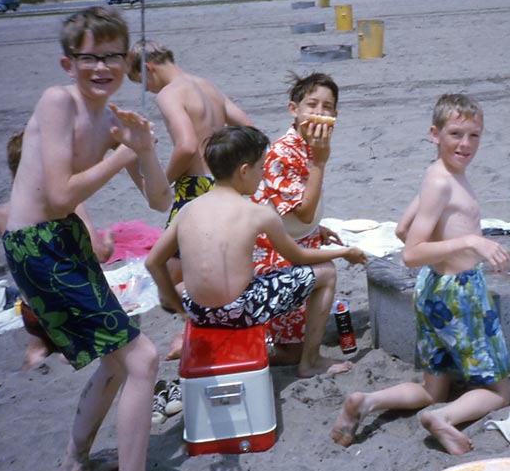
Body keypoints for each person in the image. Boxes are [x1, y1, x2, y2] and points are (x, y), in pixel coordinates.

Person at [0, 6, 182, 471]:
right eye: (89, 57)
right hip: (38, 246)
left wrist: (143, 148)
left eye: (113, 57)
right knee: (142, 358)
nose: (102, 67)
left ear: (128, 61)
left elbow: (159, 200)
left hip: (65, 243)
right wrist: (121, 156)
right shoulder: (58, 101)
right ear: (67, 63)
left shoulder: (110, 120)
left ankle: (74, 461)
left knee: (118, 358)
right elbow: (58, 195)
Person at [331, 93, 510, 456]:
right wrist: (469, 241)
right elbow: (410, 253)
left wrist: (447, 239)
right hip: (460, 294)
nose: (465, 144)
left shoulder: (437, 176)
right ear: (435, 134)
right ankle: (443, 419)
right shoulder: (443, 182)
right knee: (498, 392)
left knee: (433, 389)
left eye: (474, 136)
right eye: (456, 134)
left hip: (433, 291)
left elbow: (402, 228)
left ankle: (366, 401)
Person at [144, 125, 366, 367]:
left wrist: (178, 306)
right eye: (260, 168)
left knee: (182, 286)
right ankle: (310, 360)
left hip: (198, 312)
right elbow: (299, 257)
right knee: (327, 271)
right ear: (243, 171)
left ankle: (186, 328)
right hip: (241, 313)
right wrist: (345, 252)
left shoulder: (187, 210)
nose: (262, 175)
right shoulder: (257, 214)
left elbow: (153, 262)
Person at [127, 39, 254, 360]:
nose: (150, 92)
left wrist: (161, 182)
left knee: (170, 282)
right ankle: (193, 331)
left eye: (143, 84)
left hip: (195, 190)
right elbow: (248, 126)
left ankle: (196, 334)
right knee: (198, 268)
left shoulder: (169, 94)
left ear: (149, 70)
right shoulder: (207, 85)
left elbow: (185, 146)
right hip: (225, 181)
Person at [251, 72, 354, 377]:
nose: (320, 113)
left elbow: (292, 210)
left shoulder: (307, 144)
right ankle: (308, 362)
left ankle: (285, 345)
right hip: (271, 255)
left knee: (290, 346)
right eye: (312, 104)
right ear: (293, 110)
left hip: (294, 241)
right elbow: (305, 211)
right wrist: (320, 162)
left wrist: (314, 230)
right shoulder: (283, 152)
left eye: (328, 107)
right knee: (329, 271)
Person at [0, 130, 114, 370]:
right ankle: (71, 349)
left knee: (39, 297)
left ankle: (38, 347)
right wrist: (108, 240)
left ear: (12, 174)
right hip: (76, 310)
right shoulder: (69, 204)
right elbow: (99, 253)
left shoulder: (3, 215)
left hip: (35, 314)